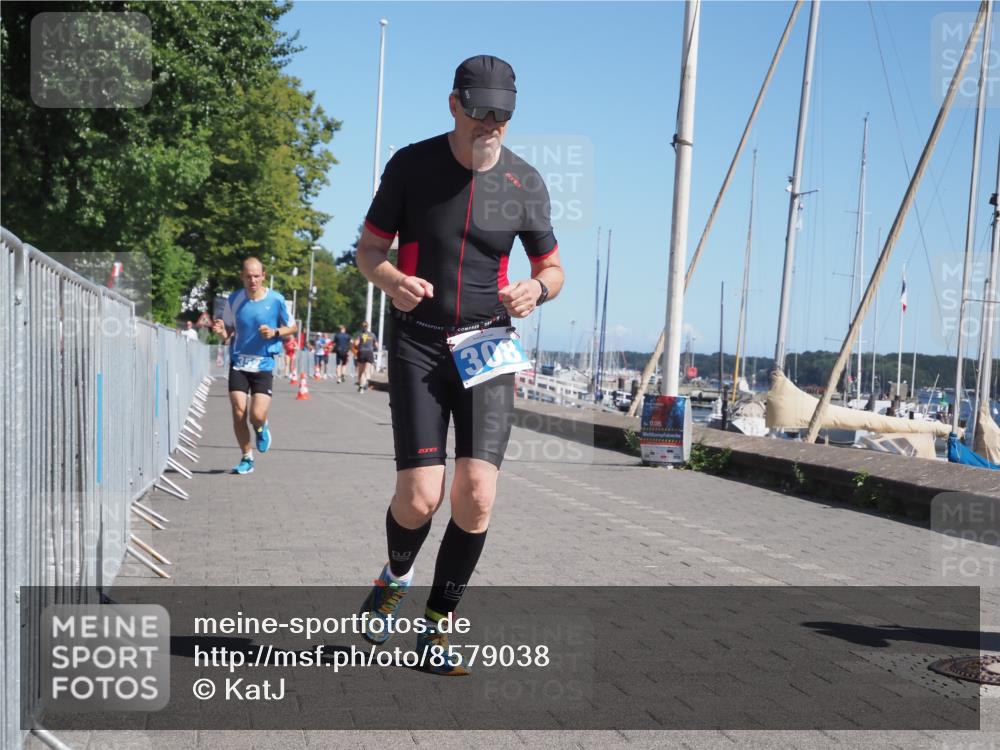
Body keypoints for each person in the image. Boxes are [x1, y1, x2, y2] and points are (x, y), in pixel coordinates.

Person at [354, 55, 563, 674]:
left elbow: (553, 267)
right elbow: (368, 250)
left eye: (502, 114)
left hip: (489, 342)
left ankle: (438, 626)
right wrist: (390, 278)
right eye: (480, 113)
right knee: (420, 497)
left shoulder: (526, 183)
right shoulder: (411, 166)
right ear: (454, 105)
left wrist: (539, 290)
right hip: (419, 340)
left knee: (476, 494)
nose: (491, 125)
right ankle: (394, 576)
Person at [212, 257, 297, 475]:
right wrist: (222, 332)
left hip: (263, 364)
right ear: (242, 276)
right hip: (239, 362)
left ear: (263, 276)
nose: (253, 280)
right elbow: (228, 332)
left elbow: (292, 327)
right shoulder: (234, 300)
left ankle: (261, 427)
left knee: (256, 415)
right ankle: (246, 457)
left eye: (256, 276)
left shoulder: (276, 299)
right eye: (248, 276)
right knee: (239, 412)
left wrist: (275, 332)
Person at [353, 322, 378, 392]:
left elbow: (356, 343)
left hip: (361, 352)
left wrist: (356, 345)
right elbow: (376, 345)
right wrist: (374, 347)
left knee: (360, 371)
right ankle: (364, 382)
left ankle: (361, 384)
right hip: (369, 353)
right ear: (368, 326)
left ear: (362, 327)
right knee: (366, 370)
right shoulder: (372, 335)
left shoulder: (360, 335)